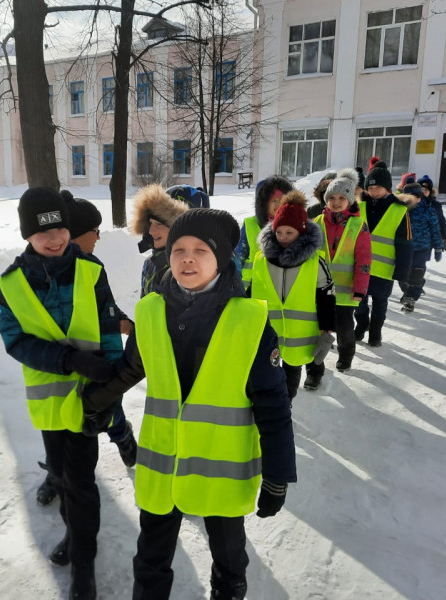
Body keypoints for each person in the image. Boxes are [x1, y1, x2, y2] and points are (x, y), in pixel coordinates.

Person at [81, 208, 296, 600]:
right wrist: (95, 402)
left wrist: (278, 474)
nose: (187, 259)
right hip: (163, 466)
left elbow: (273, 405)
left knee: (229, 557)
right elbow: (132, 367)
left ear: (222, 258)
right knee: (150, 557)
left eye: (201, 250)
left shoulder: (249, 322)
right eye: (179, 249)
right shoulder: (151, 311)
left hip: (220, 471)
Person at [0, 187, 123, 600]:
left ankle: (84, 564)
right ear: (27, 235)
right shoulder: (12, 283)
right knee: (61, 476)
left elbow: (109, 334)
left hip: (90, 401)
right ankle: (73, 532)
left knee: (81, 482)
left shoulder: (91, 270)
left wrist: (109, 395)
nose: (54, 239)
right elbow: (15, 341)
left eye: (60, 229)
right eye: (42, 232)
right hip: (51, 405)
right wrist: (67, 360)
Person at [35, 194, 138, 507]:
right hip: (59, 363)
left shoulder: (92, 267)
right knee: (59, 420)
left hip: (94, 360)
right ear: (78, 233)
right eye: (96, 231)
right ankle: (56, 473)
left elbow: (105, 309)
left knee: (104, 407)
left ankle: (122, 435)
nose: (98, 238)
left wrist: (120, 325)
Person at [251, 191, 336, 396]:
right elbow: (253, 292)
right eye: (279, 232)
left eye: (289, 233)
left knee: (292, 373)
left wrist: (327, 330)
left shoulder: (314, 262)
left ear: (302, 232)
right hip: (269, 334)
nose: (283, 237)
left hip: (301, 336)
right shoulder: (262, 260)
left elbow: (326, 297)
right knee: (268, 376)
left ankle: (287, 402)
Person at [315, 169, 371, 371]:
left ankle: (346, 355)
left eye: (341, 198)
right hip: (320, 290)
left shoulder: (358, 225)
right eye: (331, 198)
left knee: (345, 328)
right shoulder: (317, 223)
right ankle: (317, 357)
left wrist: (360, 289)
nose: (336, 202)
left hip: (346, 291)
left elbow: (364, 260)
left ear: (350, 200)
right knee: (320, 325)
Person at [354, 161, 412, 346]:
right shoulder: (360, 207)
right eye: (370, 188)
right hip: (360, 267)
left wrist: (402, 270)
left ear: (387, 188)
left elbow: (405, 244)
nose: (374, 191)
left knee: (380, 303)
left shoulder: (399, 210)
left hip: (384, 269)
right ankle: (362, 324)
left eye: (378, 187)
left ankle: (375, 332)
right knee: (358, 301)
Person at [234, 175, 293, 291]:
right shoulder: (250, 225)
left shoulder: (295, 226)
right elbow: (238, 259)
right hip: (254, 289)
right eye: (273, 201)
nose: (277, 205)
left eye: (281, 200)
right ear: (263, 204)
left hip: (285, 289)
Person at [131, 184, 189, 297]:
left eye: (159, 224)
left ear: (178, 227)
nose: (151, 231)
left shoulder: (191, 266)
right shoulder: (150, 263)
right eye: (150, 223)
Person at [397, 183, 442, 312]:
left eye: (414, 197)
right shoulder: (398, 209)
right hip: (403, 248)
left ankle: (410, 298)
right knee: (402, 275)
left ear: (419, 197)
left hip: (421, 248)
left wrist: (438, 247)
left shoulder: (428, 210)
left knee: (416, 273)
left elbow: (435, 229)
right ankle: (409, 290)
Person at [418, 175, 446, 253]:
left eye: (426, 190)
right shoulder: (412, 203)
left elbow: (441, 222)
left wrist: (444, 239)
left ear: (430, 191)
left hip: (428, 242)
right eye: (421, 189)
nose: (424, 192)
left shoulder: (435, 205)